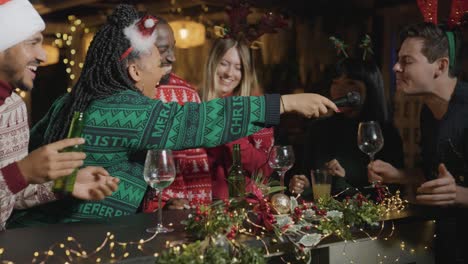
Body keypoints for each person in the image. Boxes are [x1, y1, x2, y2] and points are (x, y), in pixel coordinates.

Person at [8, 4, 338, 227]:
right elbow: (195, 122)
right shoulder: (122, 108)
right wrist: (282, 104)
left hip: (42, 234)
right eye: (159, 61)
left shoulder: (71, 101)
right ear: (135, 70)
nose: (165, 70)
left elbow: (30, 162)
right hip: (73, 241)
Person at [0, 0, 119, 230]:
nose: (43, 55)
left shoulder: (14, 108)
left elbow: (10, 194)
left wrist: (63, 185)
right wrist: (22, 172)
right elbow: (13, 178)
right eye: (32, 43)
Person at [367, 22, 468, 263]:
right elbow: (434, 175)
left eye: (407, 61)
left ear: (440, 66)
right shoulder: (428, 110)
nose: (395, 67)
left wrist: (458, 195)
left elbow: (453, 190)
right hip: (449, 244)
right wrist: (399, 175)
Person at [288, 58, 404, 199]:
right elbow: (309, 182)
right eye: (335, 82)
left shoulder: (383, 133)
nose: (339, 90)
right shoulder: (318, 130)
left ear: (370, 88)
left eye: (351, 83)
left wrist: (342, 180)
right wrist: (302, 186)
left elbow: (389, 196)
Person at [141, 18, 212, 211]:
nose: (172, 57)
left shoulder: (187, 93)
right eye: (164, 49)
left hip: (175, 214)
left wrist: (199, 214)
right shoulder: (117, 97)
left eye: (173, 48)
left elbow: (196, 169)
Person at [200, 38, 275, 200]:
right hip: (198, 203)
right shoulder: (194, 103)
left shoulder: (256, 108)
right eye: (224, 63)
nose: (229, 73)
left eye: (238, 68)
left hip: (245, 203)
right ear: (212, 64)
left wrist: (231, 130)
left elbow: (266, 169)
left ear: (244, 73)